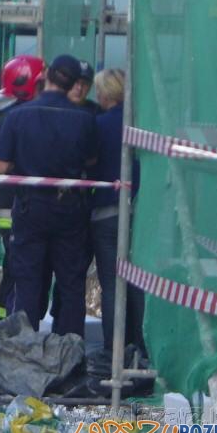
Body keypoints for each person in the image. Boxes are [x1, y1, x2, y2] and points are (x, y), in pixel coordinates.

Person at [0, 55, 97, 337]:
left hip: (30, 207)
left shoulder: (18, 115)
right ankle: (70, 354)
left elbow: (1, 167)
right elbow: (91, 161)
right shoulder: (85, 119)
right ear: (75, 83)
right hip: (71, 209)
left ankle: (25, 351)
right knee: (70, 284)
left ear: (47, 75)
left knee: (27, 282)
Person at [0, 55, 45, 323]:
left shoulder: (5, 114)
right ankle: (6, 323)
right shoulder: (14, 117)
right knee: (19, 270)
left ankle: (1, 318)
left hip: (9, 206)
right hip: (16, 207)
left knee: (13, 269)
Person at [91, 68, 144, 354]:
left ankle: (115, 349)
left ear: (105, 93)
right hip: (141, 212)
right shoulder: (141, 124)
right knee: (139, 284)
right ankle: (141, 345)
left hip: (106, 212)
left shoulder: (99, 125)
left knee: (112, 285)